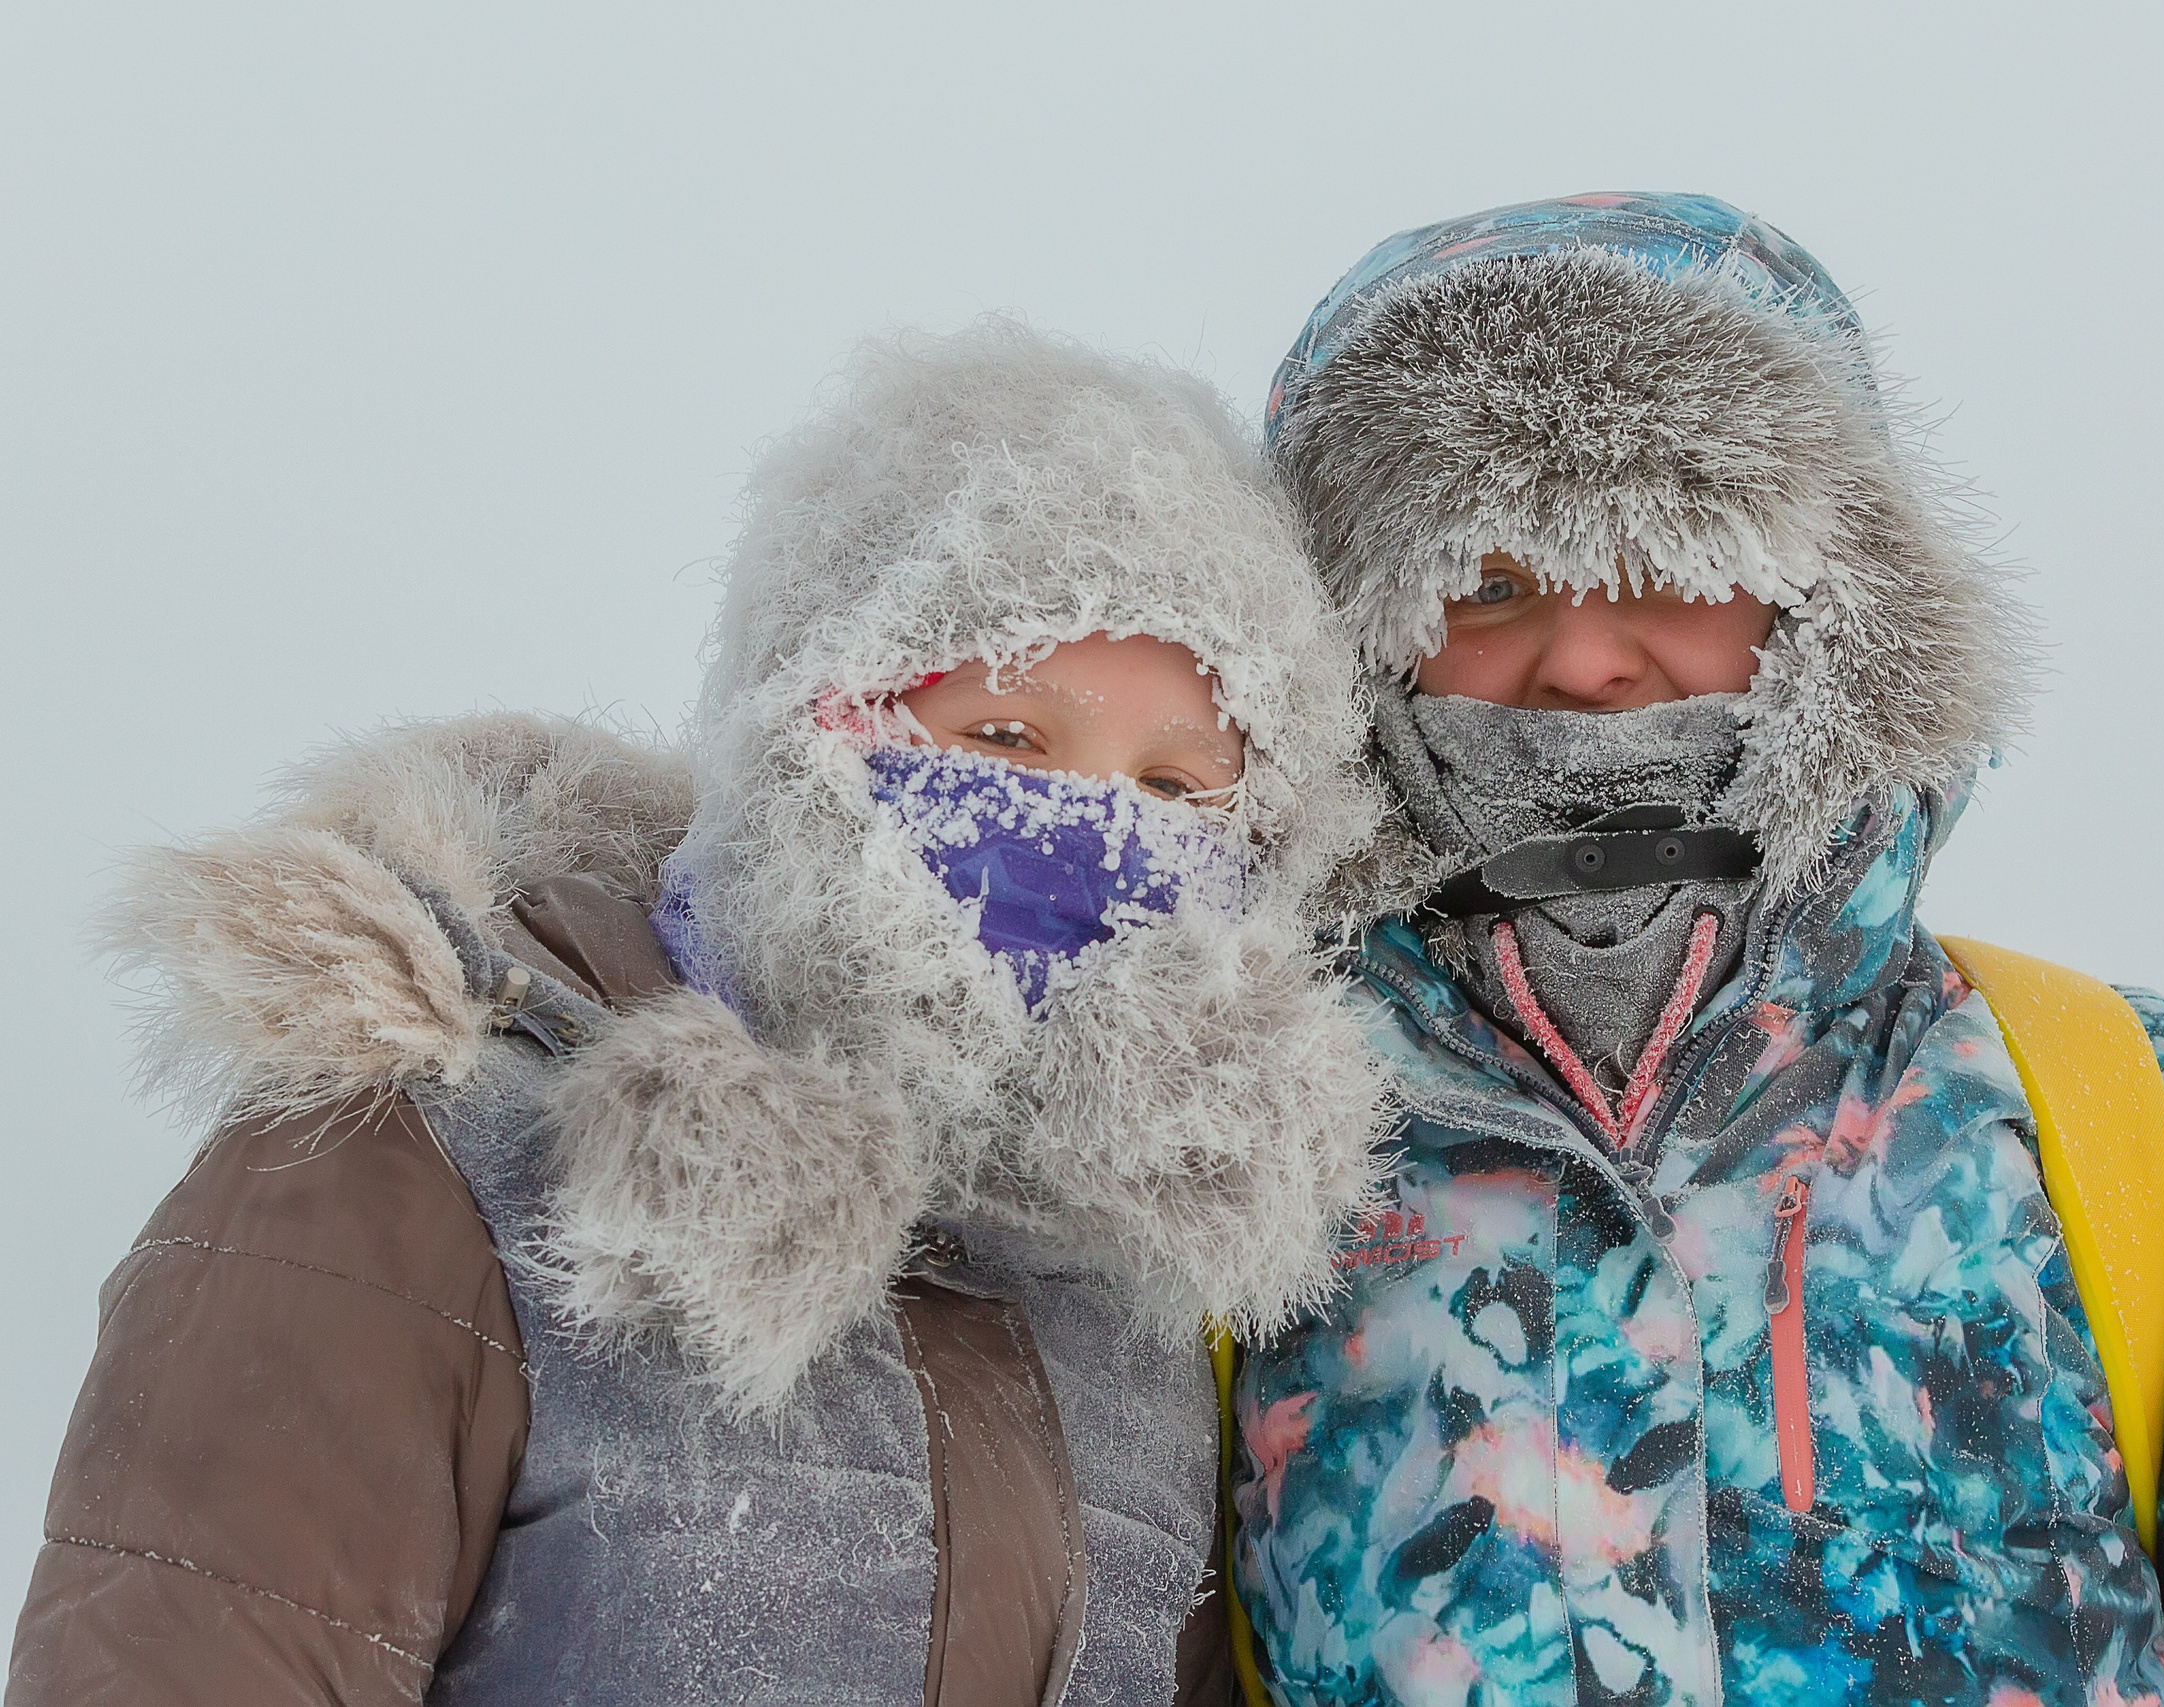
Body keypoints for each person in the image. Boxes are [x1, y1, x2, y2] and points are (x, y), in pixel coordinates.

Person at [1230, 194, 2164, 1707]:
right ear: (1357, 637)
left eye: (1669, 560)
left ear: (1829, 600)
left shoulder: (2142, 1126)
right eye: (1492, 584)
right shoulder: (1237, 1153)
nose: (1589, 658)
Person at [10, 319, 1390, 1704]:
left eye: (1172, 789)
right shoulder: (420, 1155)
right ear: (812, 722)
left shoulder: (1133, 1292)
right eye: (1005, 740)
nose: (1090, 826)